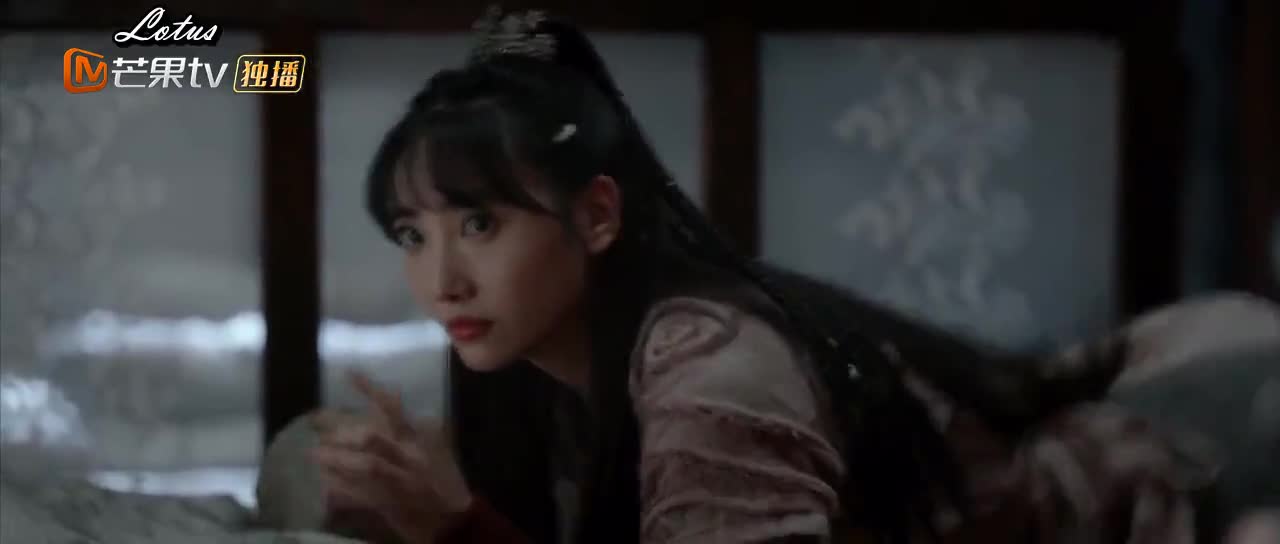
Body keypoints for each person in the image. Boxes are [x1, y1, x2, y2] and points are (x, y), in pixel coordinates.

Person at [304, 7, 1214, 544]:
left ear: (598, 215)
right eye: (412, 235)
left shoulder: (713, 372)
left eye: (480, 224)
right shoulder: (530, 369)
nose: (443, 279)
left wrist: (457, 526)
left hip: (1122, 501)